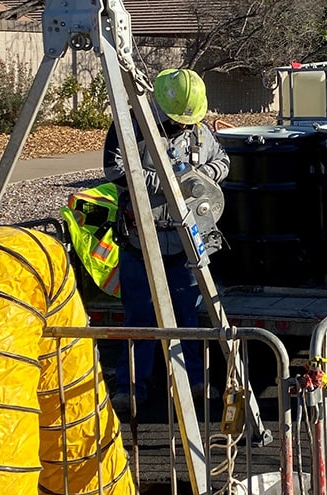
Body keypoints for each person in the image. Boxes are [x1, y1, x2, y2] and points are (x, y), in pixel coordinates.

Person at [103, 68, 229, 413]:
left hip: (186, 241)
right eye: (178, 119)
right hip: (141, 243)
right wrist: (165, 184)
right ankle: (131, 387)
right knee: (141, 318)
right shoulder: (131, 129)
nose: (184, 125)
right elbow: (115, 169)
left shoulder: (200, 133)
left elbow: (223, 160)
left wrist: (202, 177)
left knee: (189, 315)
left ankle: (195, 382)